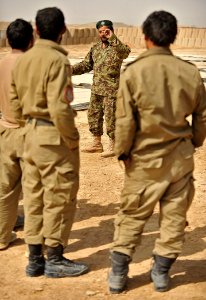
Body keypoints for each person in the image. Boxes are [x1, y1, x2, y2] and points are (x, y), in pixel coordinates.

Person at [108, 10, 206, 294]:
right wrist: (194, 143)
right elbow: (201, 118)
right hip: (180, 160)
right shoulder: (190, 72)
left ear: (146, 37)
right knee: (174, 218)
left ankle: (118, 275)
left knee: (132, 215)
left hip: (144, 160)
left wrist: (123, 153)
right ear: (172, 37)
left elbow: (124, 121)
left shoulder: (133, 73)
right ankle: (161, 273)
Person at [10, 7, 89, 278]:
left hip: (28, 136)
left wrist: (26, 128)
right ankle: (54, 258)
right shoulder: (57, 61)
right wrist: (71, 138)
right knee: (59, 197)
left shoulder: (23, 59)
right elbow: (59, 107)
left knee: (33, 198)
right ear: (63, 30)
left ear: (36, 29)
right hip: (53, 138)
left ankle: (34, 260)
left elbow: (14, 102)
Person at [72, 20, 131, 158]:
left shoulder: (118, 48)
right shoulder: (95, 48)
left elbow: (125, 53)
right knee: (94, 116)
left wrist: (113, 38)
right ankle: (97, 144)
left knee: (111, 119)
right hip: (96, 89)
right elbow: (86, 65)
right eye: (100, 31)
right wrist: (69, 69)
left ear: (111, 31)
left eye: (106, 31)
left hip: (112, 90)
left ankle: (113, 145)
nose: (103, 34)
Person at [0, 19, 34, 250]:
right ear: (31, 40)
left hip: (6, 130)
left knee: (6, 188)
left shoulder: (2, 63)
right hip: (30, 132)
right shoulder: (33, 64)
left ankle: (3, 236)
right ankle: (35, 243)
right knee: (33, 189)